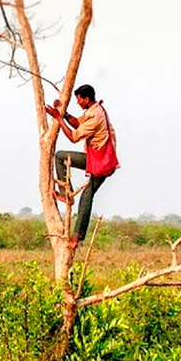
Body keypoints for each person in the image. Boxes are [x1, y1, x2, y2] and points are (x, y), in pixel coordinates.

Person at [44, 84, 120, 249]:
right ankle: (67, 195)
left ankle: (77, 236)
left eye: (79, 100)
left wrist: (58, 118)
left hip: (103, 161)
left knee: (87, 193)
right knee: (62, 159)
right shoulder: (93, 110)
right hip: (96, 158)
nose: (78, 103)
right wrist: (63, 114)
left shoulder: (96, 116)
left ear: (86, 99)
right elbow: (77, 123)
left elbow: (73, 136)